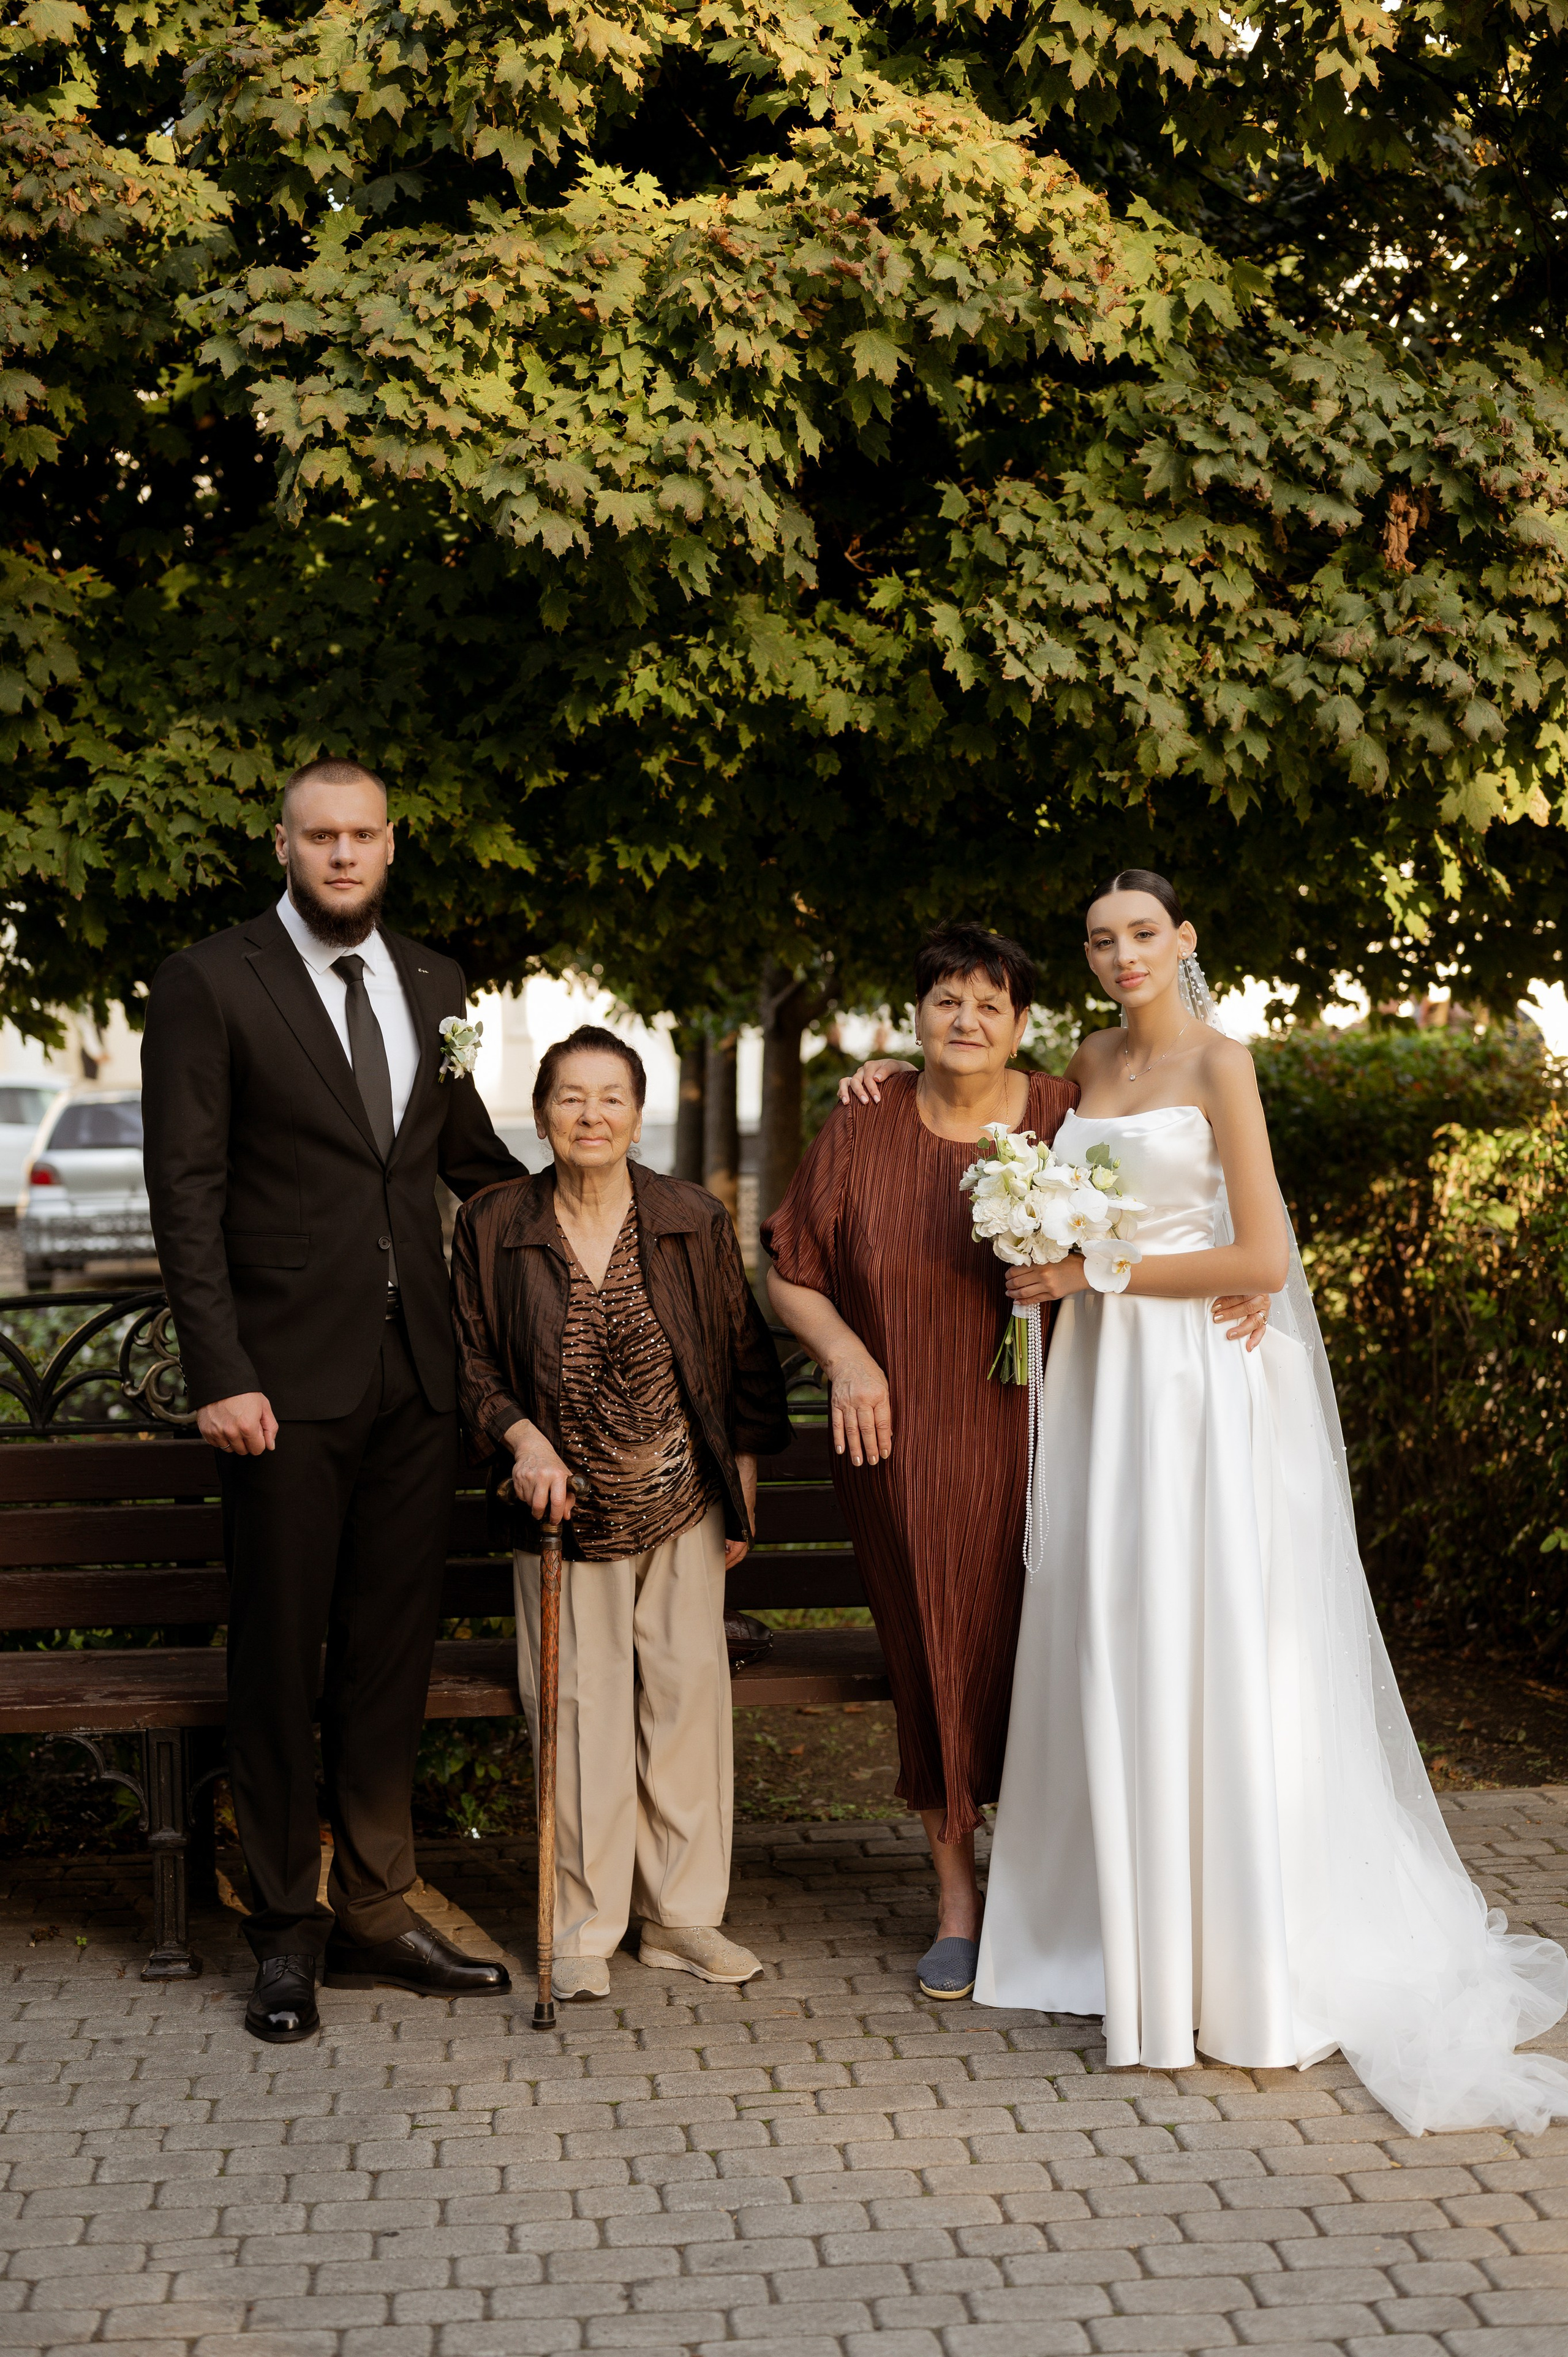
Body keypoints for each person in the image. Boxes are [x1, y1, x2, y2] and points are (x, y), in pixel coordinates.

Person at [973, 870, 1567, 2133]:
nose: (1119, 954)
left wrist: (1097, 1269)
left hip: (1194, 1387)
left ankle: (1235, 1960)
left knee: (1211, 1641)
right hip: (1103, 1386)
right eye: (1097, 939)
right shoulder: (1081, 1057)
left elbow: (1261, 1257)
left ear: (1183, 940)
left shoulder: (1220, 1065)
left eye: (1141, 934)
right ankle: (1117, 1939)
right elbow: (975, 1103)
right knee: (1113, 1633)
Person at [142, 758, 525, 2045]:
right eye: (321, 836)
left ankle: (376, 1905)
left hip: (416, 1375)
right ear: (282, 845)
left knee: (384, 1658)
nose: (343, 854)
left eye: (362, 835)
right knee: (278, 1656)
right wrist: (220, 1371)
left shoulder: (433, 982)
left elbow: (464, 1161)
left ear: (391, 845)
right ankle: (282, 1933)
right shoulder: (211, 982)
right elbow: (184, 1194)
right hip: (278, 1387)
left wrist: (612, 1172)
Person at [450, 1026, 791, 2001]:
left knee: (686, 1707)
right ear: (543, 1112)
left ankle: (683, 1920)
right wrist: (521, 1440)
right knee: (579, 1710)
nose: (591, 1115)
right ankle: (586, 1926)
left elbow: (739, 1361)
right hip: (562, 1511)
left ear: (638, 1115)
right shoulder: (494, 1222)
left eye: (611, 1098)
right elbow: (468, 1359)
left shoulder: (691, 1216)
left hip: (682, 1501)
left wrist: (742, 1496)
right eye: (570, 1097)